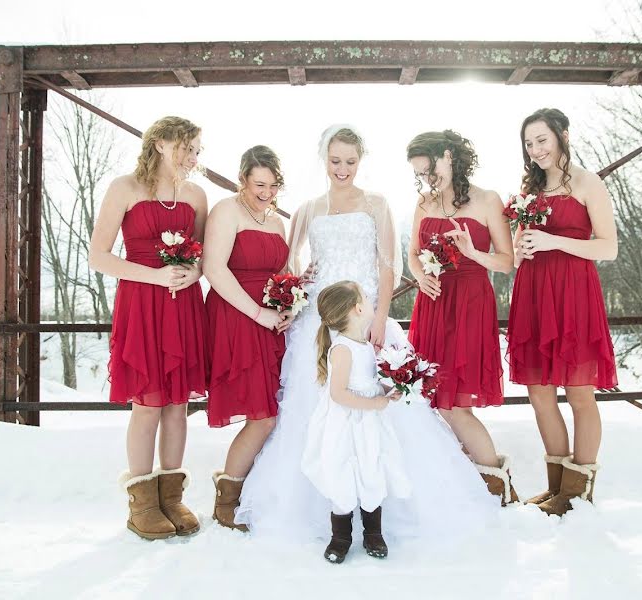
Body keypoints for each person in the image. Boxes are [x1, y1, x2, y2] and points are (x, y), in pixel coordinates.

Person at [237, 125, 497, 541]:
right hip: (319, 324)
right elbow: (287, 264)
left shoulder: (376, 203)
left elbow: (388, 264)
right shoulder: (307, 208)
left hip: (368, 318)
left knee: (387, 410)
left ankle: (384, 509)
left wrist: (379, 317)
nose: (343, 169)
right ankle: (325, 508)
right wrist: (298, 283)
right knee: (314, 411)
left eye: (351, 162)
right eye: (336, 161)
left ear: (361, 161)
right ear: (324, 160)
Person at [89, 116, 207, 539]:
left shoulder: (196, 194)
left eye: (197, 150)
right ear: (159, 144)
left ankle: (172, 497)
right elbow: (98, 257)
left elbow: (200, 256)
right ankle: (141, 503)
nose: (192, 157)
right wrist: (155, 276)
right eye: (185, 148)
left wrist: (191, 276)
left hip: (183, 305)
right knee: (149, 403)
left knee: (178, 405)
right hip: (141, 303)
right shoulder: (125, 188)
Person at [508, 108, 618, 515]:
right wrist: (522, 249)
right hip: (535, 294)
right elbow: (519, 251)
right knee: (539, 394)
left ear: (562, 136)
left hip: (574, 294)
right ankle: (558, 489)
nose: (535, 149)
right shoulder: (528, 190)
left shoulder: (588, 183)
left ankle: (579, 492)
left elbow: (609, 247)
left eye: (542, 139)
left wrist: (555, 243)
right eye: (529, 142)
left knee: (579, 394)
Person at [406, 129, 519, 506]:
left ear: (450, 157)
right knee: (434, 398)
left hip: (470, 303)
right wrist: (420, 277)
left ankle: (498, 488)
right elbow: (411, 254)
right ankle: (468, 485)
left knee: (456, 404)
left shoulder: (487, 200)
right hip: (433, 304)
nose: (428, 180)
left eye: (431, 170)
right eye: (421, 174)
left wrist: (471, 252)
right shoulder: (424, 202)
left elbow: (506, 262)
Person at [202, 145, 291, 530]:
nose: (266, 193)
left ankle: (254, 494)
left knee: (276, 412)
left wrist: (290, 303)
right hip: (238, 316)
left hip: (273, 321)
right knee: (262, 417)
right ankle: (227, 501)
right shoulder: (226, 211)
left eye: (273, 185)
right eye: (259, 184)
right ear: (242, 179)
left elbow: (283, 270)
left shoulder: (276, 221)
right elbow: (214, 270)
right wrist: (259, 314)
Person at [302, 281, 410, 563]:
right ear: (357, 309)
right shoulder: (343, 349)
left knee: (372, 468)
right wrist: (375, 403)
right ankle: (341, 537)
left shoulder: (364, 345)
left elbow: (368, 382)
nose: (371, 301)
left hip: (369, 425)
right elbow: (338, 394)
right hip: (347, 424)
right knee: (343, 470)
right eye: (366, 297)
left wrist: (387, 390)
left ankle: (374, 533)